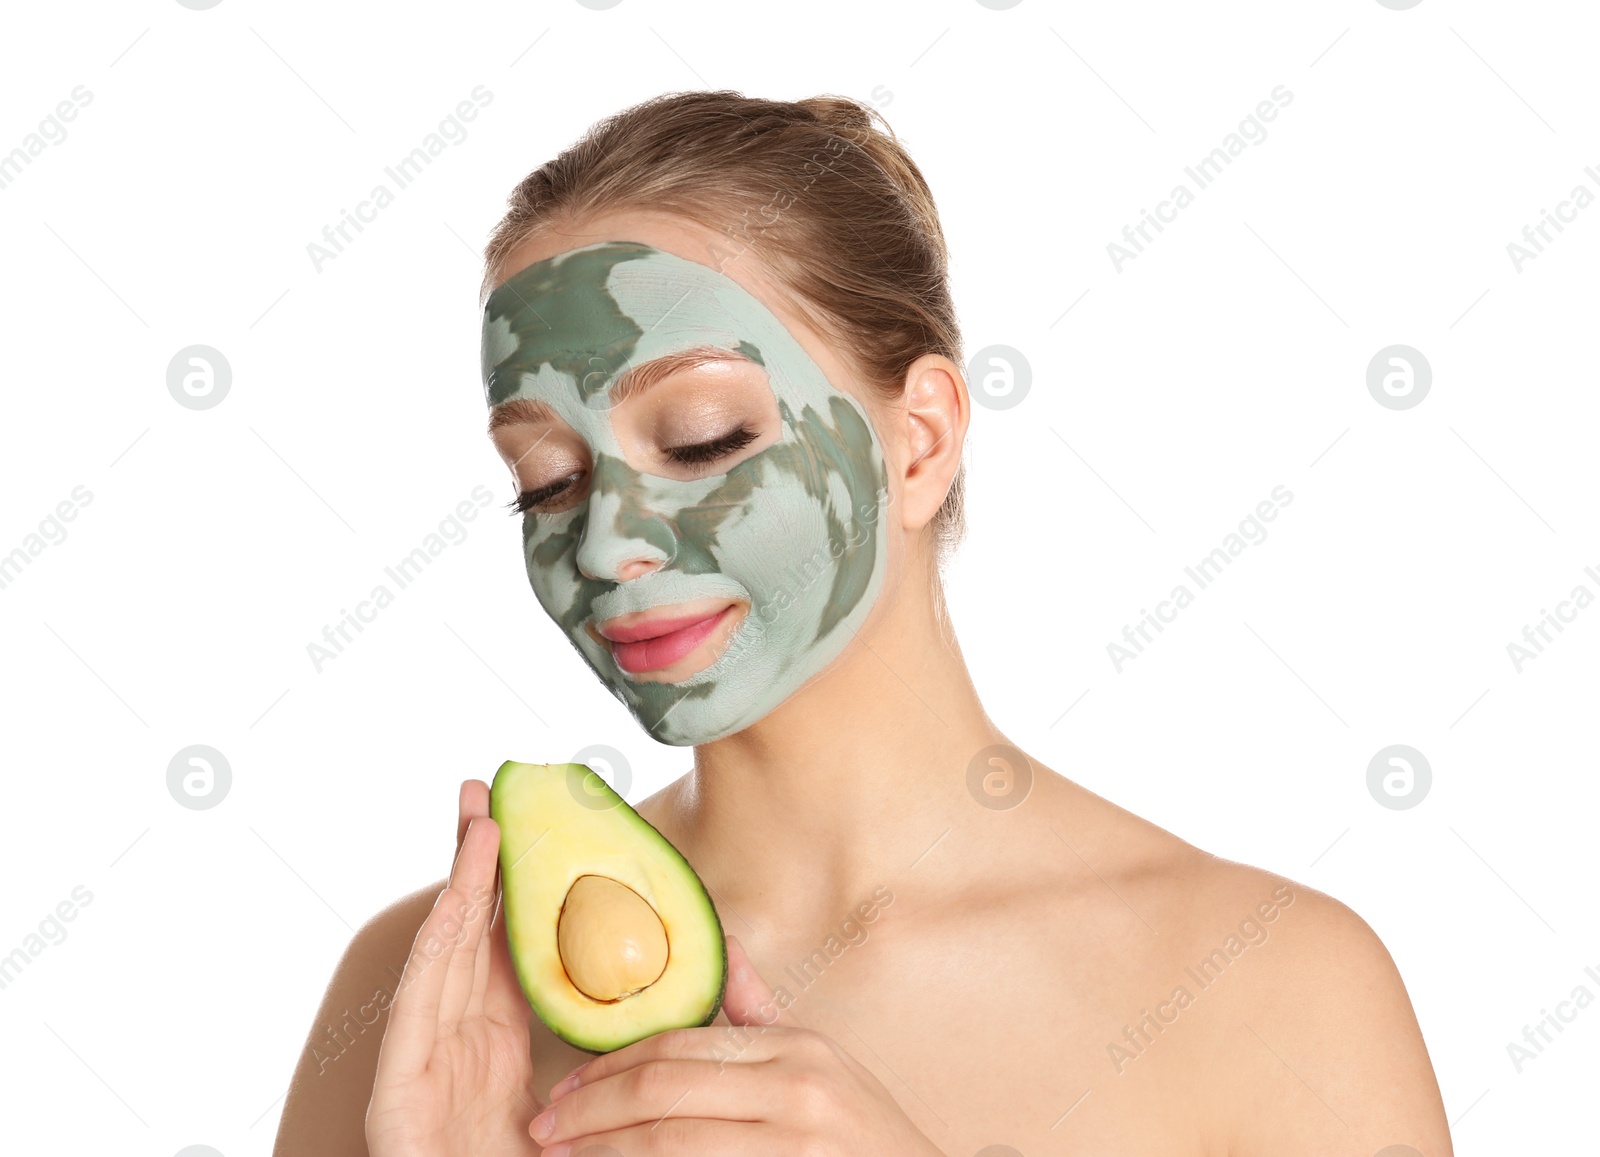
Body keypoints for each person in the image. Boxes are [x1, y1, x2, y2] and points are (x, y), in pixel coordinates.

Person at [274, 91, 1453, 1156]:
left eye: (699, 439)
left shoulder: (1268, 986)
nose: (602, 542)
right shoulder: (429, 991)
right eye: (546, 479)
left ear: (920, 440)